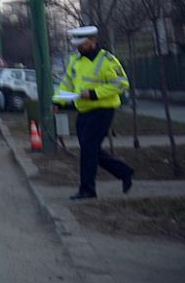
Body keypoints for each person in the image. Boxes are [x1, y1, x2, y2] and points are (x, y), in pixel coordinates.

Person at [54, 25, 133, 200]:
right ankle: (124, 172)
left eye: (82, 43)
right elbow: (67, 83)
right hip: (83, 110)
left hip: (102, 110)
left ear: (93, 41)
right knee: (90, 149)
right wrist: (57, 101)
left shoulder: (107, 60)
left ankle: (87, 189)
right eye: (77, 44)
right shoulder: (75, 60)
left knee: (89, 149)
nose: (79, 47)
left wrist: (94, 94)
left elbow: (121, 84)